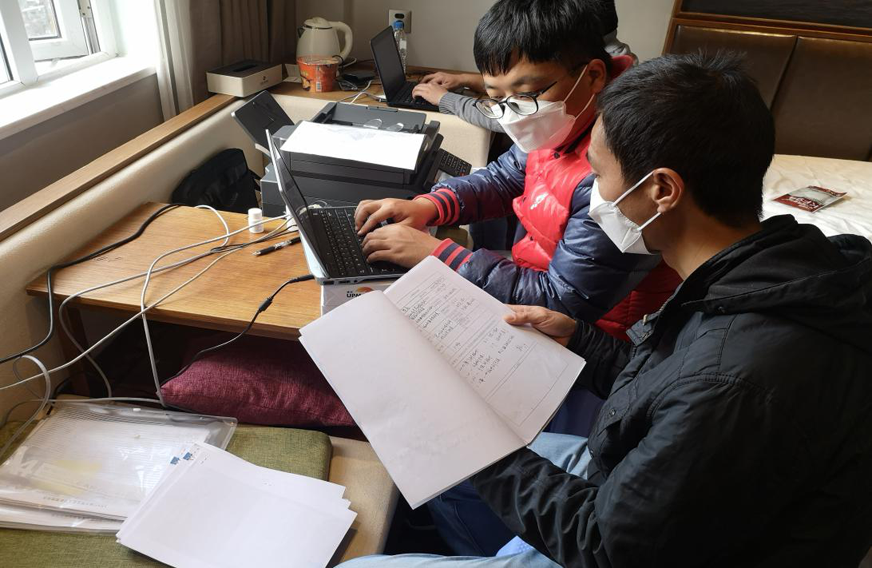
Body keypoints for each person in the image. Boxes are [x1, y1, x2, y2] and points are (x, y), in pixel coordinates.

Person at [339, 52, 872, 567]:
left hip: (619, 539)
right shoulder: (761, 273)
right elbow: (672, 388)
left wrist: (464, 431)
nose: (593, 196)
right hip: (643, 482)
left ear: (661, 190)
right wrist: (582, 340)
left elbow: (604, 546)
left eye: (598, 175)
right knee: (448, 470)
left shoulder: (735, 377)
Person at [412, 0, 635, 132]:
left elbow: (514, 119)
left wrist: (445, 99)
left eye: (526, 94)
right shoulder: (602, 59)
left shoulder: (612, 113)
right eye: (498, 97)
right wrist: (465, 79)